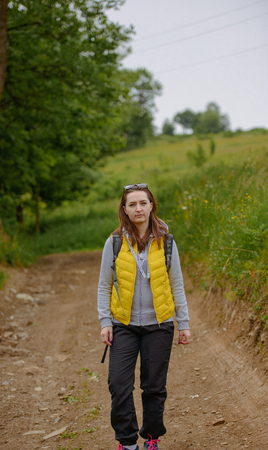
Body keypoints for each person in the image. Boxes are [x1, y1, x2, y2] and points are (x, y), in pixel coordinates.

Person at [97, 183, 190, 450]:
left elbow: (177, 284)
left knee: (154, 387)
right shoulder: (114, 242)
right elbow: (104, 284)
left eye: (143, 203)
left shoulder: (167, 243)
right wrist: (106, 322)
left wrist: (183, 323)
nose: (138, 208)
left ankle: (151, 438)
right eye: (132, 204)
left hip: (159, 325)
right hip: (123, 325)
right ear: (124, 210)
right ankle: (126, 443)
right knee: (119, 384)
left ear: (151, 206)